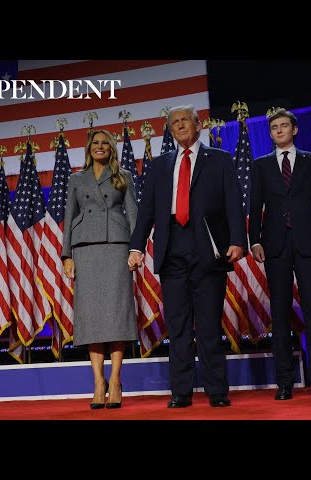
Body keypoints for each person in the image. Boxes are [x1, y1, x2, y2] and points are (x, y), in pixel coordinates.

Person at [128, 105, 246, 408]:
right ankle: (180, 392)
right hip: (172, 249)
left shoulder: (219, 159)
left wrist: (237, 241)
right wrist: (136, 247)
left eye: (185, 121)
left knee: (208, 325)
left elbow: (233, 202)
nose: (180, 126)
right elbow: (147, 212)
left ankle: (216, 392)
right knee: (178, 326)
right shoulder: (159, 165)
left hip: (208, 246)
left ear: (198, 125)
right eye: (174, 122)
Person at [248, 108, 311, 400]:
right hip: (275, 246)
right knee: (280, 313)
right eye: (274, 128)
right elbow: (254, 206)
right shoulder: (260, 165)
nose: (279, 131)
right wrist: (255, 240)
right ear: (270, 133)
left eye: (284, 126)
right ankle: (284, 382)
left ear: (294, 130)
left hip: (309, 243)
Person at [62, 129, 138, 409]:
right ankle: (98, 382)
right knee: (91, 316)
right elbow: (68, 218)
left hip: (116, 247)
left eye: (105, 143)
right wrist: (66, 255)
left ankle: (116, 380)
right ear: (88, 148)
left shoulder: (124, 176)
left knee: (117, 314)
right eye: (96, 143)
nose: (100, 146)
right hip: (85, 250)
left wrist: (135, 248)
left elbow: (135, 214)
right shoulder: (76, 179)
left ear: (112, 148)